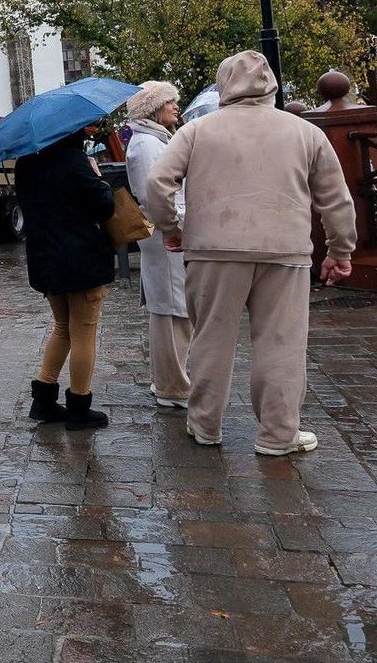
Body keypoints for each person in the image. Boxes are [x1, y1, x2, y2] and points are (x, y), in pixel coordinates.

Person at [144, 50, 358, 457]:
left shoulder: (196, 130)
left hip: (212, 249)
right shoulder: (305, 132)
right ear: (272, 86)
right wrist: (339, 250)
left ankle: (204, 424)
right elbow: (335, 199)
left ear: (225, 85)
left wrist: (173, 230)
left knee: (210, 339)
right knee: (282, 343)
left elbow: (158, 184)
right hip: (286, 249)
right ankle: (278, 435)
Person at [17, 126, 116, 430]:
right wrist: (98, 177)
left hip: (45, 260)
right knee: (84, 332)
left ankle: (44, 400)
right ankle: (79, 408)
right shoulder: (74, 161)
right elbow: (105, 206)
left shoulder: (26, 163)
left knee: (63, 327)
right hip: (80, 261)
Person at [122, 82, 191, 410]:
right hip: (164, 234)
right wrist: (177, 225)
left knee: (174, 306)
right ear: (153, 108)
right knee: (170, 308)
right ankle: (171, 386)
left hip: (165, 232)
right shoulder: (147, 143)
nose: (176, 106)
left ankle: (170, 380)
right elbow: (155, 195)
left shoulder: (154, 139)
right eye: (169, 102)